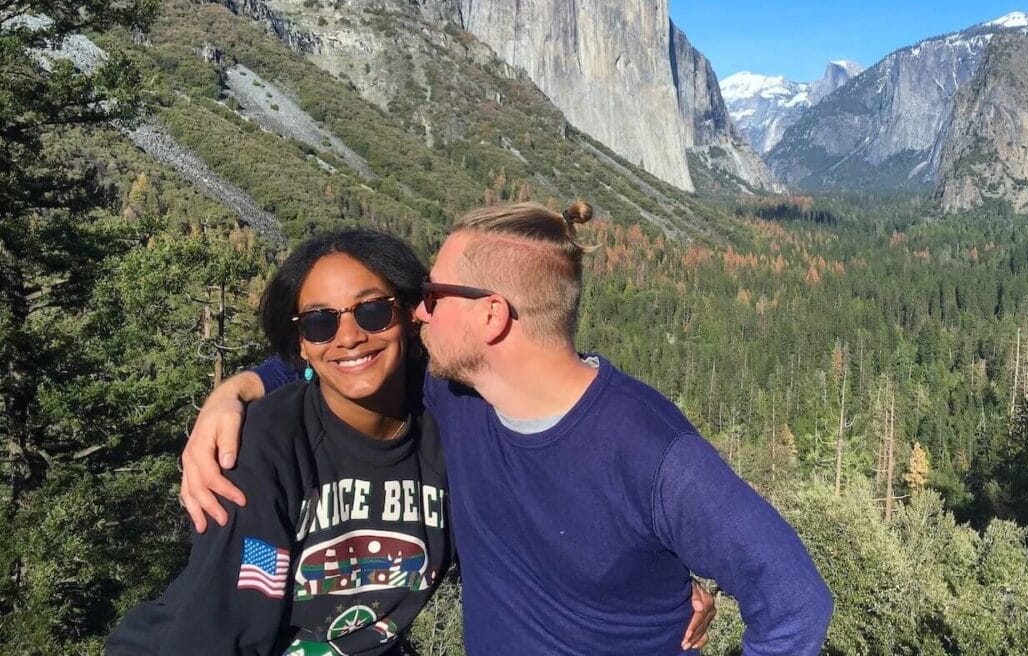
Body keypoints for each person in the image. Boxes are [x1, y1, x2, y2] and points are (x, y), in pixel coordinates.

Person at [183, 202, 832, 655]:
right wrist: (237, 391)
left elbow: (796, 602)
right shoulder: (454, 394)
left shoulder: (655, 452)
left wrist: (677, 575)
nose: (417, 312)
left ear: (491, 316)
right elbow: (345, 356)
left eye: (433, 296)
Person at [109, 229, 454, 655]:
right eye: (320, 322)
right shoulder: (263, 446)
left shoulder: (448, 429)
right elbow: (227, 629)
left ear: (408, 314)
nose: (348, 337)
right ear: (302, 346)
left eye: (372, 312)